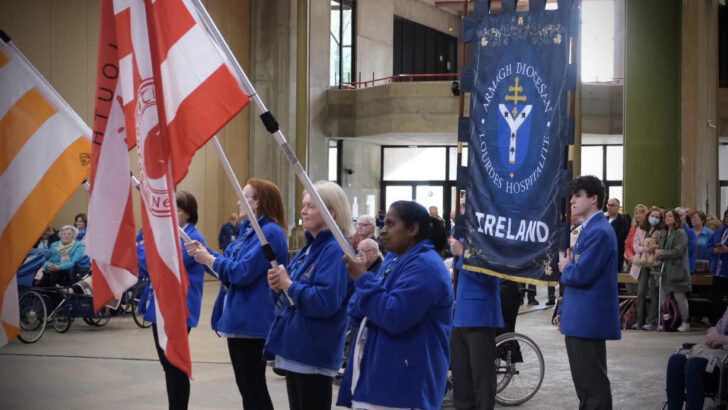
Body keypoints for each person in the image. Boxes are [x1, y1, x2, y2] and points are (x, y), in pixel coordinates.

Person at [337, 201, 454, 410]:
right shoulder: (393, 260)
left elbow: (394, 316)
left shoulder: (426, 266)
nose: (383, 231)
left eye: (391, 224)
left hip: (403, 389)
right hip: (374, 382)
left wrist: (363, 279)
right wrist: (362, 283)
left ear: (412, 229)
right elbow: (357, 315)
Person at [186, 179, 288, 409]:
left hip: (253, 320)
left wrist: (210, 258)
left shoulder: (269, 232)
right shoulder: (249, 231)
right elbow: (229, 266)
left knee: (253, 387)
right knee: (246, 385)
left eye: (246, 196)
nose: (238, 201)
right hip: (240, 318)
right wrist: (203, 254)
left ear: (259, 202)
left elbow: (242, 272)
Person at [264, 181, 353, 410]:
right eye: (304, 205)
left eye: (311, 206)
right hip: (296, 345)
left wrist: (290, 285)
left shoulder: (334, 249)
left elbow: (326, 301)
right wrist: (278, 288)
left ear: (331, 212)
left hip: (314, 349)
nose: (303, 211)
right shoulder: (310, 248)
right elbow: (290, 298)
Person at [137, 191, 207, 410]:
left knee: (175, 365)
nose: (171, 214)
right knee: (168, 366)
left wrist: (141, 249)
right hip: (160, 306)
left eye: (176, 210)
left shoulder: (191, 238)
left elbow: (164, 266)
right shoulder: (167, 235)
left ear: (188, 214)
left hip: (179, 309)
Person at [557, 175, 620, 410]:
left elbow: (583, 274)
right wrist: (564, 308)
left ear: (594, 199)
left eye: (578, 196)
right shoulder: (589, 229)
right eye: (572, 196)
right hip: (580, 315)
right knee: (585, 385)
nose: (572, 200)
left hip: (588, 317)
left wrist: (565, 267)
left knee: (592, 386)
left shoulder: (600, 232)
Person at [448, 232, 502, 409]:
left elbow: (488, 273)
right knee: (461, 376)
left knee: (482, 377)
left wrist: (462, 254)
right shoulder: (463, 235)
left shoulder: (489, 235)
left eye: (465, 204)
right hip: (460, 313)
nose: (463, 208)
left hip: (480, 313)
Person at [665, 306, 728, 410]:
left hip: (724, 369)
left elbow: (721, 337)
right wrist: (712, 335)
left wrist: (723, 339)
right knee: (675, 360)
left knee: (693, 365)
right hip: (716, 356)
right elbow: (718, 328)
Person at [656, 209, 692, 332]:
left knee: (679, 296)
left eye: (670, 216)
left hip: (677, 270)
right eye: (666, 216)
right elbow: (660, 248)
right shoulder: (664, 233)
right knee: (663, 297)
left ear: (676, 219)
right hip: (665, 270)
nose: (667, 218)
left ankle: (685, 321)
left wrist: (662, 254)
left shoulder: (680, 233)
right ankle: (665, 321)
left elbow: (678, 251)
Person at [632, 207, 666, 330]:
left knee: (654, 292)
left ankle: (650, 321)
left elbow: (663, 246)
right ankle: (638, 320)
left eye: (657, 217)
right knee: (641, 292)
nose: (654, 219)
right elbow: (635, 245)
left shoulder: (662, 231)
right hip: (642, 262)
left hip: (655, 263)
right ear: (648, 216)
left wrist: (655, 247)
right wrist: (645, 249)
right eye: (653, 216)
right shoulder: (640, 229)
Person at [709, 209, 728, 324]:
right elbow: (709, 245)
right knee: (716, 299)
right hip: (717, 271)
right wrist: (714, 250)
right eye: (726, 216)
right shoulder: (720, 231)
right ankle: (716, 323)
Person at [606, 198, 630, 272]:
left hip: (616, 253)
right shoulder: (604, 219)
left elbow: (620, 239)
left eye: (612, 205)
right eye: (608, 205)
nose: (610, 207)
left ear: (618, 207)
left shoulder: (623, 221)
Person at [625, 204, 648, 270]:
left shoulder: (649, 229)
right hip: (633, 261)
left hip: (645, 262)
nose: (638, 215)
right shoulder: (633, 229)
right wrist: (631, 257)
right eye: (637, 213)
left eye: (641, 213)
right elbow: (627, 246)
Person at [676, 207, 698, 274]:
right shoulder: (671, 230)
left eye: (680, 216)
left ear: (684, 216)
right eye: (676, 216)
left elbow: (691, 251)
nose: (678, 218)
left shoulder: (690, 232)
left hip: (686, 265)